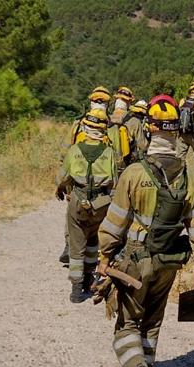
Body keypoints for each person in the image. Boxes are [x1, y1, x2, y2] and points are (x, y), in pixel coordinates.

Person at [97, 94, 194, 367]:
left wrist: (104, 257)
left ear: (150, 130)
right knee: (152, 322)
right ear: (175, 133)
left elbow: (114, 223)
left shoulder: (134, 173)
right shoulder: (189, 176)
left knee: (127, 324)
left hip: (134, 264)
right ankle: (148, 366)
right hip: (168, 265)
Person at [57, 108, 119, 303]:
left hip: (77, 201)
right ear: (103, 130)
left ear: (85, 127)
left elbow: (63, 177)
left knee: (77, 246)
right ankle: (88, 280)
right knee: (94, 243)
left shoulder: (74, 151)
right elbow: (114, 182)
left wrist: (61, 189)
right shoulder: (109, 153)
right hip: (101, 205)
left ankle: (76, 289)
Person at [60, 86, 113, 265]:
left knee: (73, 215)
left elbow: (67, 150)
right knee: (95, 223)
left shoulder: (78, 124)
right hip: (101, 186)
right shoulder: (110, 126)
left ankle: (71, 248)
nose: (99, 104)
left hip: (76, 179)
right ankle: (90, 260)